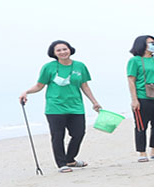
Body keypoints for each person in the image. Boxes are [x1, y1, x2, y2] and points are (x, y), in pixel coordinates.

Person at [19, 40, 102, 173]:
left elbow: (84, 85)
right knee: (58, 136)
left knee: (79, 133)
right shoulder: (48, 67)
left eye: (65, 49)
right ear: (54, 53)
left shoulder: (80, 66)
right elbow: (39, 85)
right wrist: (26, 92)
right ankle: (62, 164)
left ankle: (70, 159)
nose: (62, 52)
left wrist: (94, 102)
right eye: (58, 50)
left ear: (70, 50)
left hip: (76, 106)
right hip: (55, 107)